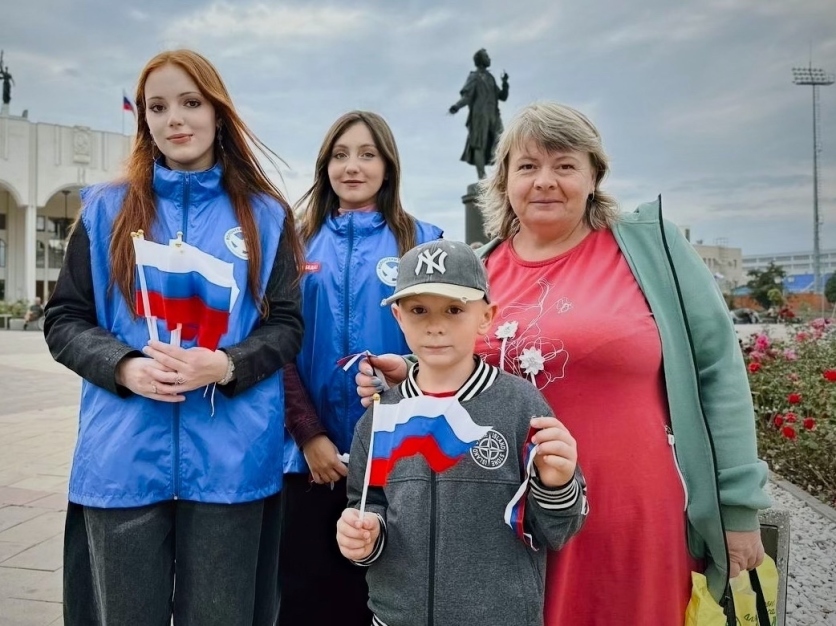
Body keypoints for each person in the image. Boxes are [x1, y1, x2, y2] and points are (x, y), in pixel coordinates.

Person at [355, 102, 771, 624]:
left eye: (565, 165)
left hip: (628, 516)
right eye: (528, 166)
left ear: (594, 175)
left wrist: (736, 509)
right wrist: (414, 375)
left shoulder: (650, 252)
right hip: (505, 526)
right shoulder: (478, 270)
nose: (545, 181)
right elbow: (461, 369)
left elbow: (718, 374)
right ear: (505, 180)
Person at [43, 49, 304, 626]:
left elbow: (286, 326)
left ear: (217, 112)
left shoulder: (266, 216)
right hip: (123, 456)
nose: (175, 119)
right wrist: (124, 365)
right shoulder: (105, 210)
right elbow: (64, 319)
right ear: (144, 120)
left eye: (190, 102)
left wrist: (226, 365)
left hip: (232, 461)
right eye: (157, 107)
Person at [337, 239, 587, 625]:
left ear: (486, 316)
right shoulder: (381, 415)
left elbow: (557, 530)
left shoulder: (521, 406)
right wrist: (364, 534)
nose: (436, 325)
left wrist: (557, 484)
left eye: (454, 309)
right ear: (398, 317)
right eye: (419, 310)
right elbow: (367, 501)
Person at [278, 111, 443, 626]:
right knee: (305, 600)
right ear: (324, 165)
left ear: (388, 165)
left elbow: (446, 347)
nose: (353, 166)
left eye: (367, 154)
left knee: (385, 601)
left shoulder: (423, 242)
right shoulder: (293, 241)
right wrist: (308, 434)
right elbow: (274, 343)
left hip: (399, 462)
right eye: (340, 155)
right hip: (308, 462)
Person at [449, 48, 509, 179]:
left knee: (502, 139)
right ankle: (482, 176)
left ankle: (496, 161)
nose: (489, 59)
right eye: (487, 57)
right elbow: (467, 97)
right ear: (481, 60)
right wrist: (456, 106)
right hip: (479, 116)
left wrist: (505, 83)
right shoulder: (474, 77)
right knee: (479, 144)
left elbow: (502, 97)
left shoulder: (491, 78)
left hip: (494, 115)